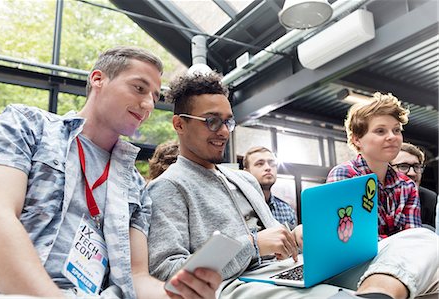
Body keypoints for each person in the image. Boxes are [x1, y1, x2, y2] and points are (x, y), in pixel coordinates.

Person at [146, 72, 438, 299]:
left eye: (228, 122)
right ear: (179, 124)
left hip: (288, 270)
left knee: (422, 240)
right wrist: (253, 245)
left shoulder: (243, 179)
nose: (223, 131)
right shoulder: (168, 187)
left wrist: (298, 236)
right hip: (236, 284)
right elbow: (169, 273)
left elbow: (280, 241)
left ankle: (378, 293)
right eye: (211, 121)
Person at [0, 46, 220, 299]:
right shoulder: (28, 126)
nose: (148, 104)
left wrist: (176, 295)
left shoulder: (135, 186)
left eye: (155, 97)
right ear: (98, 79)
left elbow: (136, 277)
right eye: (139, 88)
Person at [327, 93, 422, 239]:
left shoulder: (407, 186)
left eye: (396, 130)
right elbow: (353, 238)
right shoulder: (344, 176)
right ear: (357, 140)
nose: (392, 136)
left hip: (403, 260)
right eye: (380, 131)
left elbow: (413, 240)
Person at [243, 146, 297, 227]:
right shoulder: (239, 206)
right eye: (260, 164)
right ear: (246, 172)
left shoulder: (286, 210)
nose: (268, 168)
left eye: (272, 163)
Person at [391, 142, 437, 228]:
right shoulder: (375, 197)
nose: (412, 173)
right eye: (403, 166)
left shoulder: (430, 199)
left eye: (417, 166)